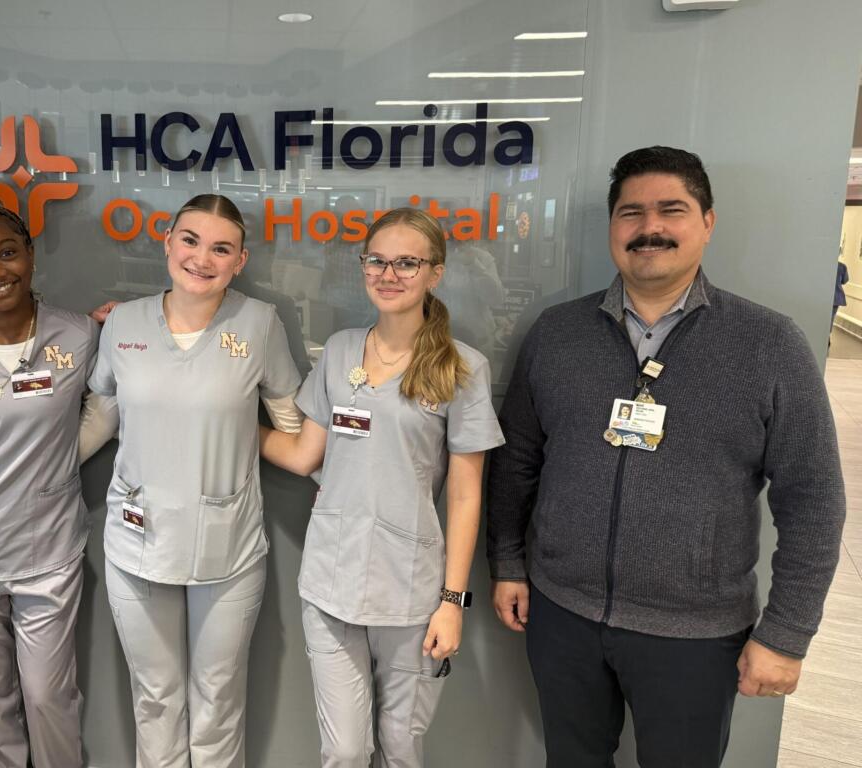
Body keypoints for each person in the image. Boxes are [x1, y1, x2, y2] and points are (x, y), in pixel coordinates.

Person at [487, 146, 845, 768]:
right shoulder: (557, 333)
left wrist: (787, 634)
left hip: (695, 633)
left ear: (707, 222)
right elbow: (518, 460)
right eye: (631, 213)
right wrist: (510, 562)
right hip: (561, 613)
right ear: (612, 229)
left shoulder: (767, 343)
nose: (649, 228)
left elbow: (813, 499)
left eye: (671, 210)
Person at [259, 208, 504, 767]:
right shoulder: (341, 350)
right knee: (344, 752)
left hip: (413, 592)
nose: (388, 273)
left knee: (399, 747)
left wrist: (452, 602)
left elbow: (466, 496)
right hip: (330, 580)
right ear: (362, 265)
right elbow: (302, 455)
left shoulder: (462, 368)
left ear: (435, 272)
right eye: (377, 260)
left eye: (407, 262)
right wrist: (227, 422)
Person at [87, 194, 302, 768]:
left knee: (217, 700)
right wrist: (35, 469)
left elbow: (291, 425)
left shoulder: (259, 325)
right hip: (136, 543)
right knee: (154, 697)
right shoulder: (125, 323)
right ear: (167, 242)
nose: (201, 258)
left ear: (240, 260)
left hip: (227, 546)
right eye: (190, 240)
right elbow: (101, 416)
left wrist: (344, 474)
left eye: (220, 248)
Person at [0, 203, 117, 768]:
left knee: (47, 695)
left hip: (49, 551)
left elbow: (105, 411)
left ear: (30, 253)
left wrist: (52, 467)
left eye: (7, 252)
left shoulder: (79, 334)